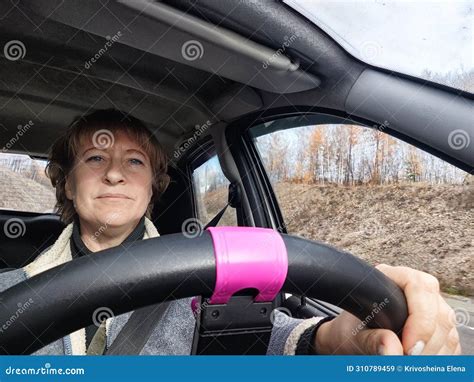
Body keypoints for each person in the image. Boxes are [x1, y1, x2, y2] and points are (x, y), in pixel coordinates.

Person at [0, 109, 461, 355]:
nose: (116, 174)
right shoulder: (12, 290)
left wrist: (335, 338)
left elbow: (268, 336)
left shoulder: (202, 279)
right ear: (66, 180)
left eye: (134, 161)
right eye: (95, 159)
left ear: (153, 185)